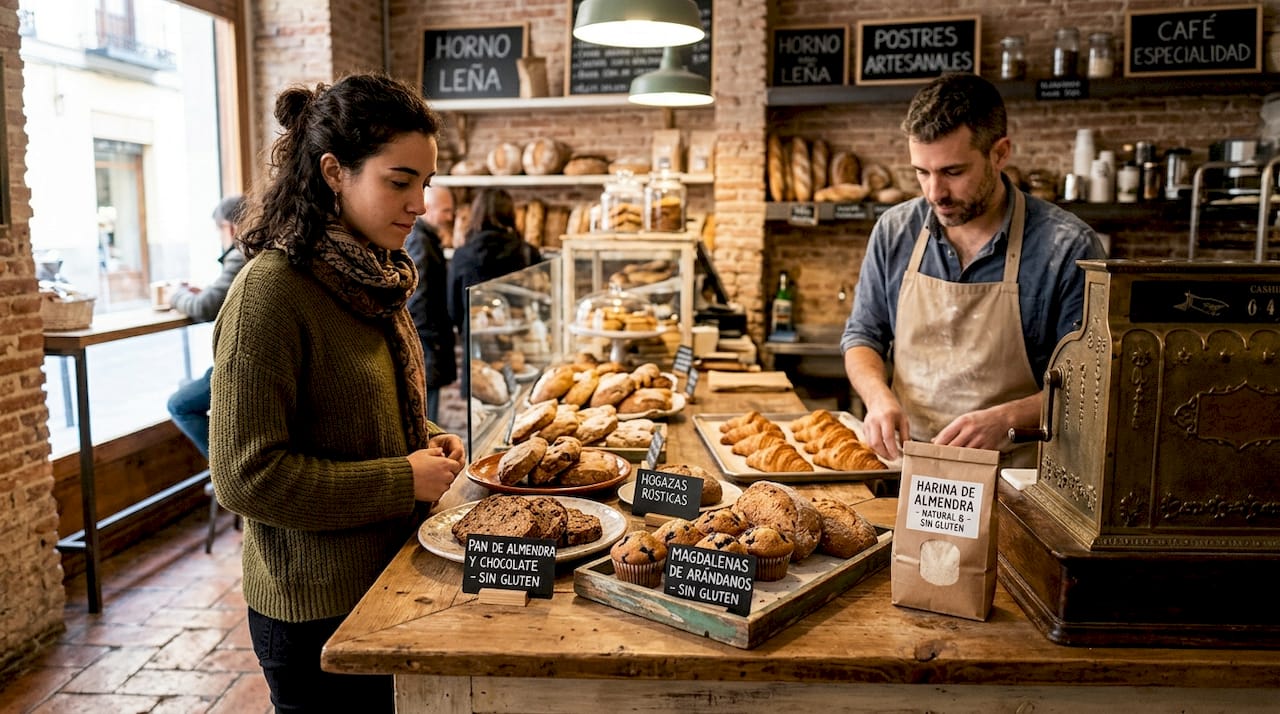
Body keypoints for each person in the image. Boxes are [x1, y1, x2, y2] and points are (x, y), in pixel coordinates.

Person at [208, 73, 465, 713]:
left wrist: (428, 442)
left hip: (389, 580)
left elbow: (359, 417)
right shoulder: (270, 293)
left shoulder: (375, 277)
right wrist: (402, 480)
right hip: (314, 615)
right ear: (333, 172)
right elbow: (244, 477)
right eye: (399, 181)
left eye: (424, 185)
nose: (418, 204)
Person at [840, 73, 1105, 467]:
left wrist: (1009, 418)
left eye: (952, 172)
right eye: (922, 172)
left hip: (1017, 480)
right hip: (911, 470)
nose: (935, 193)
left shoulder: (1066, 248)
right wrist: (878, 398)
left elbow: (1090, 385)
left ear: (1000, 153)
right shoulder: (895, 231)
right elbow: (863, 336)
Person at [166, 194, 247, 457]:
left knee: (179, 404)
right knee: (185, 387)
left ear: (229, 227)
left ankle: (224, 469)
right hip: (251, 362)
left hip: (242, 364)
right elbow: (220, 295)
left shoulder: (240, 252)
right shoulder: (262, 248)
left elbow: (205, 307)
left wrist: (175, 295)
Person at [446, 187, 541, 397]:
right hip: (519, 350)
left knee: (480, 416)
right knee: (519, 406)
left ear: (477, 214)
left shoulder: (462, 255)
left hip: (477, 350)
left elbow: (453, 310)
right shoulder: (526, 252)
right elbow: (540, 300)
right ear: (509, 214)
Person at [404, 185, 457, 423]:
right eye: (445, 211)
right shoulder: (421, 243)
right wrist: (430, 341)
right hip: (427, 345)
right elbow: (418, 298)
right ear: (428, 208)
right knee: (426, 416)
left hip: (429, 344)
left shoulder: (428, 239)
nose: (450, 217)